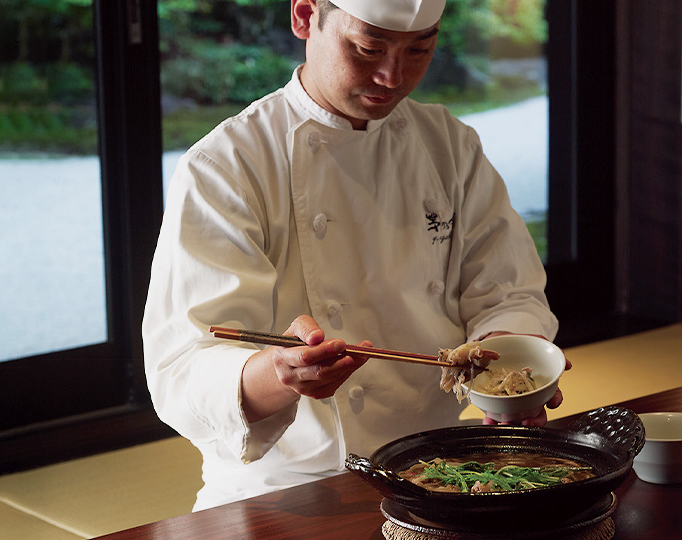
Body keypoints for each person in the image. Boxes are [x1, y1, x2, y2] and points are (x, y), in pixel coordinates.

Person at [143, 0, 565, 511]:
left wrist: (508, 370)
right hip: (283, 490)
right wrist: (281, 373)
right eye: (367, 48)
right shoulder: (226, 165)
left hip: (440, 475)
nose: (392, 75)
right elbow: (184, 366)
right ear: (303, 16)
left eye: (419, 49)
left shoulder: (448, 144)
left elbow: (507, 288)